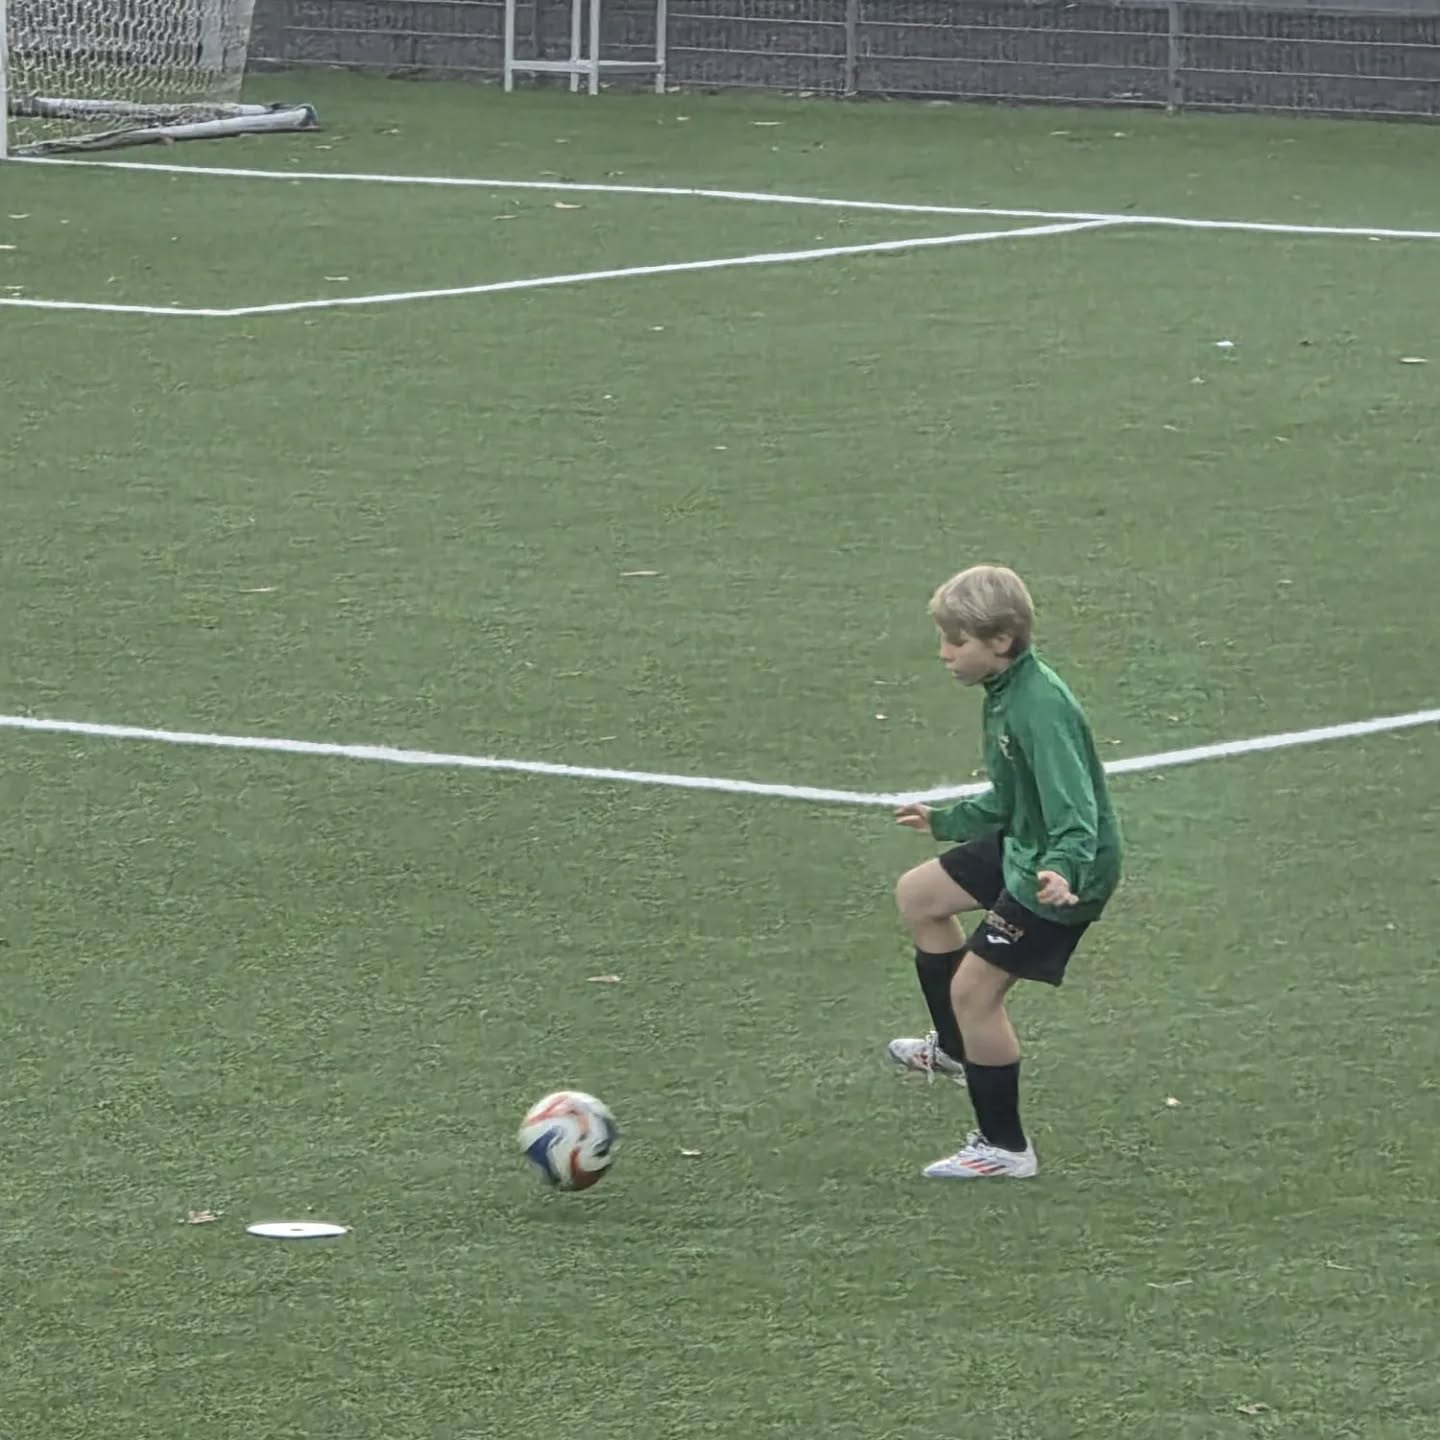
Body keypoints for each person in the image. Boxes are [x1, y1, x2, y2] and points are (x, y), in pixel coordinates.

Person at [889, 564, 1122, 1179]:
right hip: (1026, 843)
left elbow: (1076, 812)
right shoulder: (1005, 691)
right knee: (920, 896)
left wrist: (1062, 871)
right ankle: (954, 1050)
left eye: (955, 640)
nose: (944, 654)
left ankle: (1005, 1149)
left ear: (1000, 639)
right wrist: (945, 820)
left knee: (974, 993)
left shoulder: (1038, 709)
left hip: (1060, 872)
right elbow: (1012, 796)